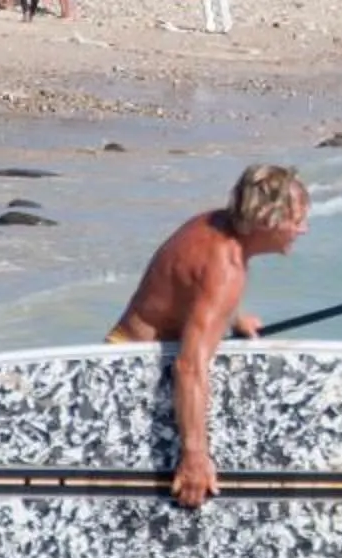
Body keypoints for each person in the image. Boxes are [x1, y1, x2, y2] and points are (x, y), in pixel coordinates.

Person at [106, 164, 310, 509]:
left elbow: (192, 289)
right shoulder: (225, 270)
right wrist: (195, 457)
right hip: (134, 379)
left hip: (124, 351)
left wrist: (231, 317)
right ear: (268, 220)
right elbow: (189, 367)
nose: (303, 230)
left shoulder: (213, 224)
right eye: (298, 220)